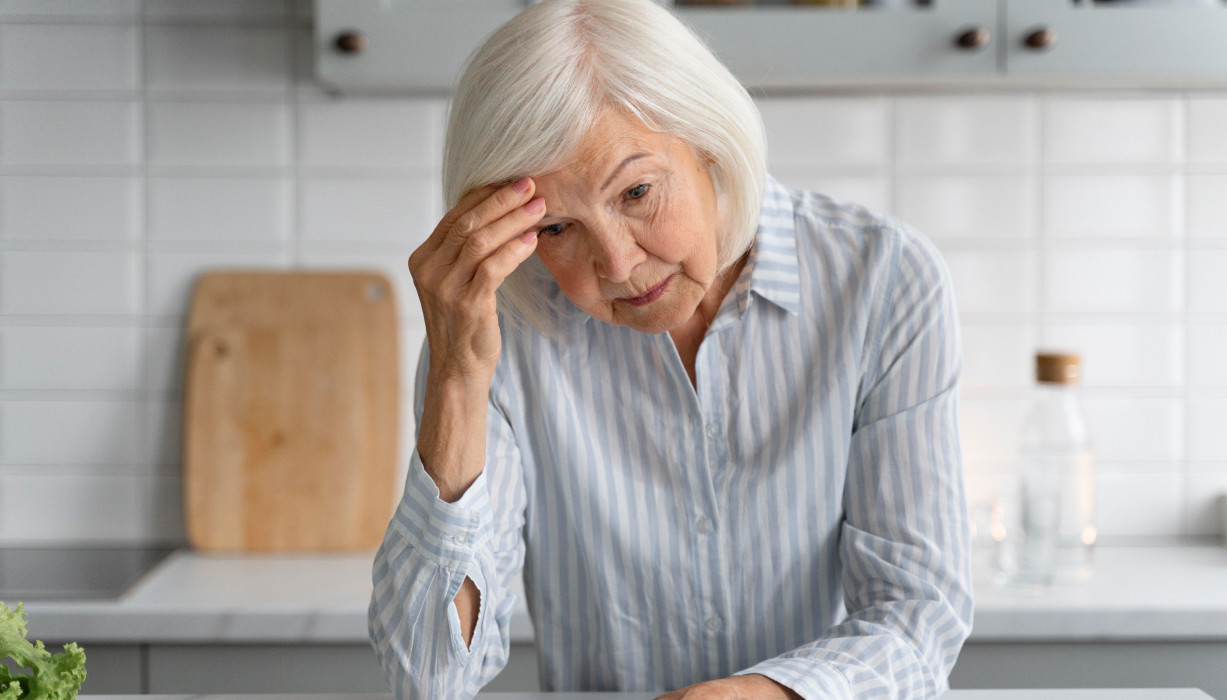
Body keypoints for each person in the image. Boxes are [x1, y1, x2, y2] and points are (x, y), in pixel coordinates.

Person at [368, 0, 973, 698]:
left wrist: (762, 694)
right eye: (559, 228)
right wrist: (456, 380)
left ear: (708, 140)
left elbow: (918, 617)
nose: (618, 266)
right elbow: (429, 679)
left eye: (637, 192)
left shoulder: (885, 282)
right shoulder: (498, 332)